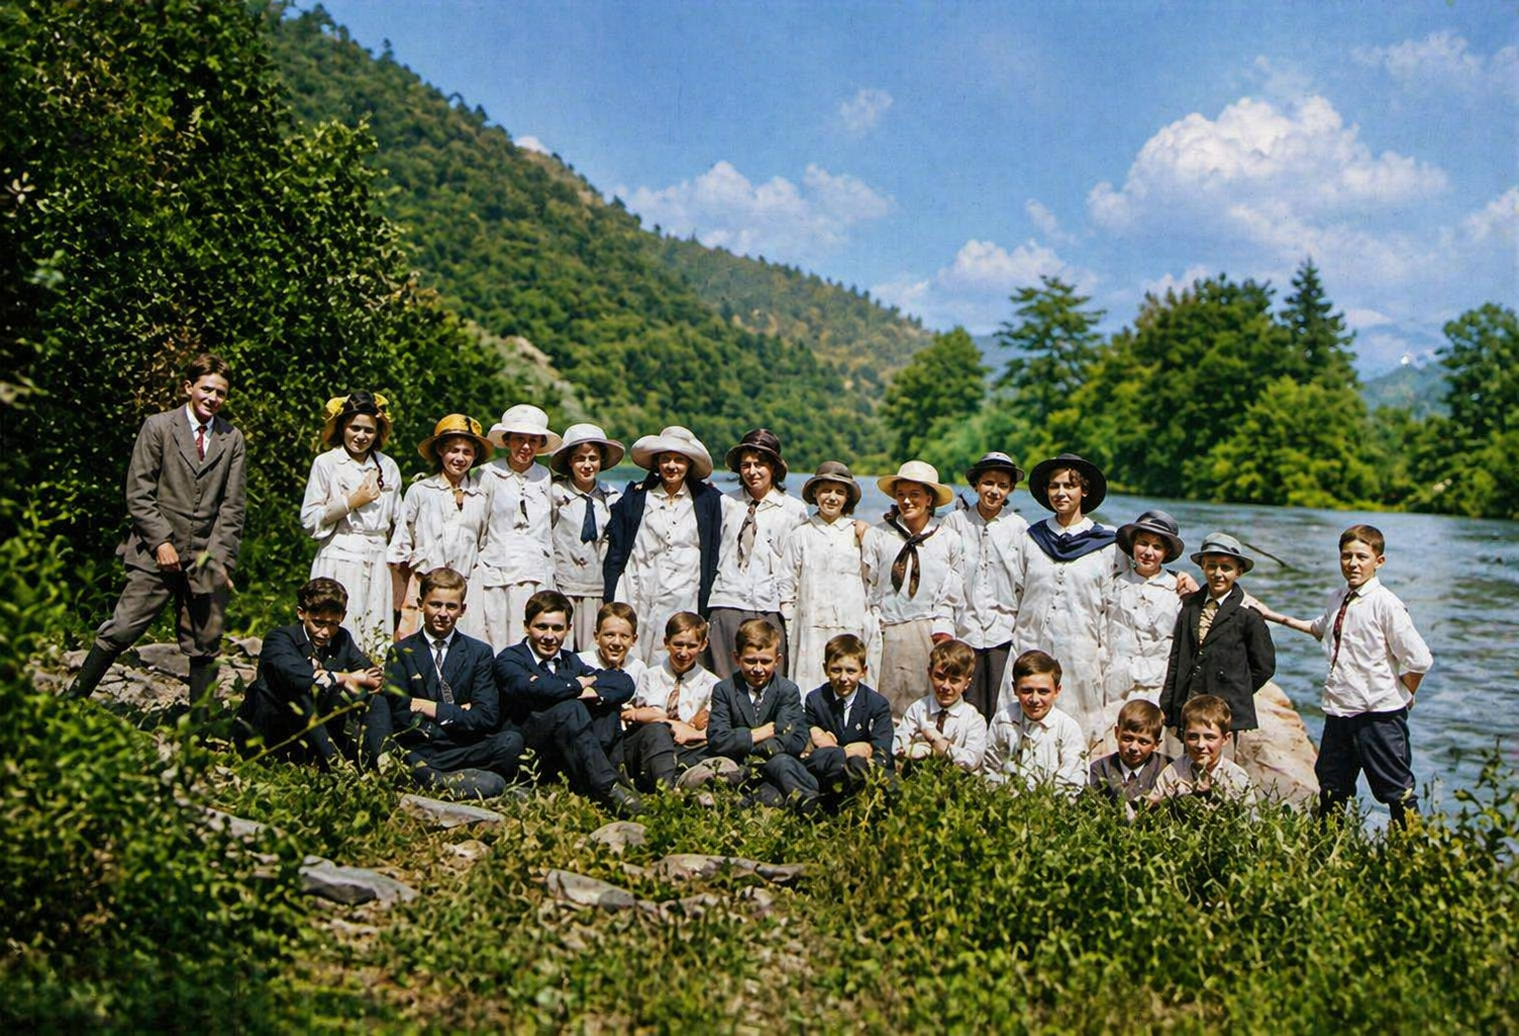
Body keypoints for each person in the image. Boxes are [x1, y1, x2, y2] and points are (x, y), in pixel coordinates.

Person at [67, 353, 246, 707]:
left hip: (205, 558)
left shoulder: (232, 438)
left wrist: (220, 560)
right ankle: (72, 700)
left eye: (221, 393)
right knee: (123, 628)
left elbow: (232, 507)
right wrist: (160, 541)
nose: (213, 398)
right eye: (206, 389)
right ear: (188, 387)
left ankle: (199, 732)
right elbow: (139, 491)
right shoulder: (159, 427)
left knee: (205, 641)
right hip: (155, 553)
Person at [1248, 524, 1432, 826]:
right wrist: (1270, 614)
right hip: (1339, 712)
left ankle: (1412, 855)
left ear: (1379, 561)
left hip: (1379, 716)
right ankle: (1327, 855)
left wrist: (1405, 693)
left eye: (1362, 557)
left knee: (1396, 791)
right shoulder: (1339, 596)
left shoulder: (1387, 604)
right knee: (1332, 789)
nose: (1353, 564)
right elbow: (1320, 628)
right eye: (1347, 556)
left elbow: (1420, 660)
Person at [362, 568, 522, 799]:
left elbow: (487, 715)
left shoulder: (479, 652)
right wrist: (460, 712)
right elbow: (400, 711)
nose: (443, 613)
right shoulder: (402, 651)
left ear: (462, 610)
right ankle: (443, 778)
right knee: (401, 751)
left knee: (511, 742)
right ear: (420, 604)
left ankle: (433, 778)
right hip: (421, 745)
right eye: (435, 605)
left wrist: (431, 707)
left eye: (451, 607)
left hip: (463, 746)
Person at [999, 453, 1117, 744]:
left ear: (1084, 491)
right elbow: (1012, 591)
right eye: (1054, 486)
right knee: (1023, 715)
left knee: (1077, 719)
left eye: (1069, 486)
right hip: (1031, 639)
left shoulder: (1108, 543)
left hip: (1080, 646)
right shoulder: (1031, 538)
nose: (1061, 493)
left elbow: (1126, 589)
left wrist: (1180, 578)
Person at [493, 589, 642, 816]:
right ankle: (607, 788)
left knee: (605, 707)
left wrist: (587, 687)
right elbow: (532, 688)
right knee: (570, 708)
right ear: (526, 626)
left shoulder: (570, 660)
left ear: (569, 629)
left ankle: (609, 781)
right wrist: (576, 685)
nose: (550, 636)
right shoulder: (511, 658)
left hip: (562, 750)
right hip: (526, 748)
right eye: (542, 627)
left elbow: (623, 682)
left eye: (557, 628)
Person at [603, 426, 722, 668]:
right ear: (656, 462)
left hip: (685, 589)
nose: (671, 466)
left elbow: (713, 552)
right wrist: (611, 590)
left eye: (679, 460)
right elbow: (617, 548)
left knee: (676, 648)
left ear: (689, 464)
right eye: (665, 459)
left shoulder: (707, 500)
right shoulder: (636, 497)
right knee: (632, 647)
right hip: (639, 585)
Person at [234, 577, 382, 765]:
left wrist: (363, 681)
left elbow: (372, 673)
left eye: (333, 624)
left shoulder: (342, 638)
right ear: (301, 613)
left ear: (342, 618)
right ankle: (335, 762)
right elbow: (298, 677)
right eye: (318, 623)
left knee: (377, 699)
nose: (325, 632)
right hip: (271, 733)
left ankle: (382, 757)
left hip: (314, 731)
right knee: (302, 690)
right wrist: (343, 677)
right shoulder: (280, 638)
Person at [300, 391, 402, 658]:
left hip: (377, 555)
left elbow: (399, 521)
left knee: (374, 628)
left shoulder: (388, 467)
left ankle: (371, 686)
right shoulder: (327, 463)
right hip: (341, 551)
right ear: (342, 427)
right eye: (354, 427)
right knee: (337, 621)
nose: (361, 436)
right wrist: (350, 501)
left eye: (368, 430)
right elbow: (310, 519)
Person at [863, 461, 964, 718]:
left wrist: (942, 631)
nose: (907, 501)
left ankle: (924, 747)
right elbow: (868, 583)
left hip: (927, 628)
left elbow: (951, 592)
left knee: (925, 694)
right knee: (886, 692)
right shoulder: (879, 535)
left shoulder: (947, 539)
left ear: (930, 499)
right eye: (901, 495)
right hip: (887, 627)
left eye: (915, 495)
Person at [706, 428, 809, 679]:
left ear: (774, 467)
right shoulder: (724, 503)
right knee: (723, 680)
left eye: (760, 464)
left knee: (768, 678)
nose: (752, 472)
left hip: (769, 604)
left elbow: (797, 566)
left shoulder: (794, 510)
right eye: (746, 465)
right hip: (726, 600)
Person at [1158, 533, 1275, 747]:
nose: (1218, 574)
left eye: (1226, 568)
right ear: (1202, 566)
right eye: (1211, 566)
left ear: (1238, 572)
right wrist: (1168, 706)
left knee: (1221, 773)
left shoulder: (1248, 614)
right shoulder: (1189, 606)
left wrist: (1234, 690)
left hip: (1224, 713)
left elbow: (1264, 667)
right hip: (1187, 705)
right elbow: (1176, 658)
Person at [387, 414, 493, 640]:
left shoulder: (480, 496)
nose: (460, 458)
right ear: (440, 451)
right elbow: (402, 541)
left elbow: (483, 543)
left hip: (466, 586)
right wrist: (400, 595)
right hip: (425, 582)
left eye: (467, 452)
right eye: (454, 450)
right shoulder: (421, 490)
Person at [942, 451, 1028, 723]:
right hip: (964, 626)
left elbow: (1024, 582)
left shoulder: (1019, 528)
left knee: (1001, 700)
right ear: (976, 485)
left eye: (1002, 485)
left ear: (1011, 489)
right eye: (988, 483)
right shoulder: (955, 522)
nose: (994, 491)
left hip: (1003, 629)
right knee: (964, 702)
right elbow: (945, 576)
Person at [778, 461, 877, 686]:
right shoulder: (801, 534)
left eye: (839, 492)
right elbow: (787, 584)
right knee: (809, 684)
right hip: (809, 626)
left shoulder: (858, 533)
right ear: (815, 493)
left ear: (847, 498)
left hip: (850, 623)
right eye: (826, 491)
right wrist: (791, 624)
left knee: (847, 682)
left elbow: (872, 580)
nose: (832, 498)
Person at [705, 617, 817, 810]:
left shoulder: (787, 690)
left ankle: (807, 804)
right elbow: (718, 738)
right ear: (736, 658)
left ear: (777, 660)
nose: (758, 669)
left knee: (781, 763)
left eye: (765, 661)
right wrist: (763, 732)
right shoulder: (724, 690)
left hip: (778, 764)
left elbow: (794, 739)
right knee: (766, 795)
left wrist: (746, 745)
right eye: (750, 661)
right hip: (739, 768)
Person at [476, 405, 560, 650]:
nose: (525, 447)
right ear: (507, 440)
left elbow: (550, 524)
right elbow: (479, 524)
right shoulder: (487, 474)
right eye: (519, 439)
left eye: (533, 441)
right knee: (498, 634)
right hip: (497, 570)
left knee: (535, 632)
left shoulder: (544, 476)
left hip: (536, 570)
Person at [618, 612, 719, 791]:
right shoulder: (649, 676)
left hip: (688, 749)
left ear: (703, 645)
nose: (683, 653)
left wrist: (662, 720)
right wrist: (683, 725)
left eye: (691, 646)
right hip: (651, 749)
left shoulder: (712, 684)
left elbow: (706, 730)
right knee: (656, 731)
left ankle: (683, 782)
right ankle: (668, 792)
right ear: (666, 643)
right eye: (678, 645)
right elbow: (644, 721)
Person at [1101, 511, 1185, 717]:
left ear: (1166, 552)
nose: (1148, 552)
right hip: (1117, 683)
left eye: (1156, 547)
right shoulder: (1116, 584)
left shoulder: (1178, 590)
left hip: (1157, 684)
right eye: (1143, 544)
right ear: (1132, 547)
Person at [549, 424, 625, 652]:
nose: (587, 465)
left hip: (596, 586)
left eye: (593, 458)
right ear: (570, 462)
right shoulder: (555, 494)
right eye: (580, 459)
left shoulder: (611, 497)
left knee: (590, 649)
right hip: (563, 583)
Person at [803, 633, 894, 805]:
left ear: (863, 672)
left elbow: (882, 751)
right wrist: (846, 752)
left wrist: (834, 750)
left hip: (864, 775)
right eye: (836, 670)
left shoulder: (877, 704)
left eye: (851, 671)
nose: (843, 678)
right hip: (828, 775)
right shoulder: (815, 700)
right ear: (825, 669)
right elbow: (809, 754)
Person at [985, 649, 1087, 796]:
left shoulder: (1067, 728)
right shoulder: (1003, 721)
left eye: (1043, 691)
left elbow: (1073, 778)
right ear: (1015, 689)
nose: (1034, 699)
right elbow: (990, 767)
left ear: (1057, 691)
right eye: (1027, 691)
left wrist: (1043, 802)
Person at [893, 638, 988, 774]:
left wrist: (940, 744)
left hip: (957, 784)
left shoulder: (974, 719)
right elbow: (897, 745)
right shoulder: (919, 709)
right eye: (940, 677)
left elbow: (972, 760)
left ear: (967, 683)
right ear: (930, 674)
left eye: (954, 681)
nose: (945, 686)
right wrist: (926, 750)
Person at [1147, 695, 1257, 810]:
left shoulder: (1237, 777)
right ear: (1182, 735)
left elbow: (1251, 819)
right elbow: (1151, 811)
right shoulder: (1172, 774)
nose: (1200, 745)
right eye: (1193, 737)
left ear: (1225, 739)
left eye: (1210, 737)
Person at [1087, 699, 1170, 806]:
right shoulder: (1100, 769)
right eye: (1127, 738)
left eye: (1143, 742)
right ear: (1117, 733)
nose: (1133, 748)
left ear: (1156, 744)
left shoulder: (1166, 770)